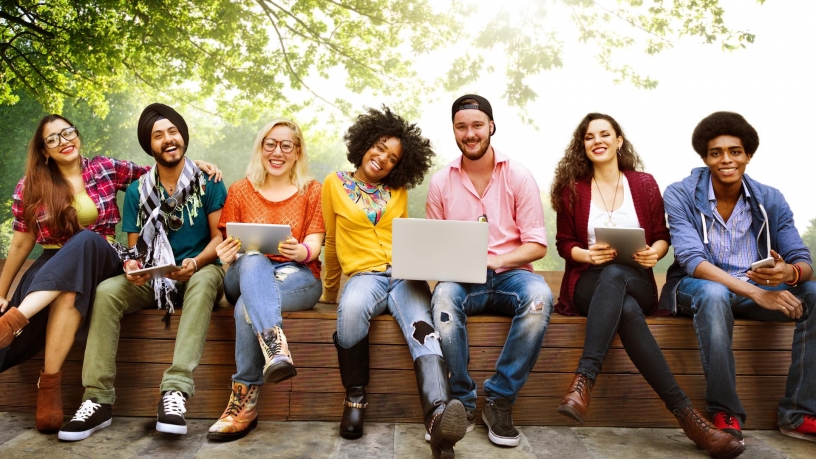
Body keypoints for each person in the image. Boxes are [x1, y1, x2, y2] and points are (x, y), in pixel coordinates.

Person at [0, 114, 219, 433]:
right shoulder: (30, 186)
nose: (64, 141)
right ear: (44, 151)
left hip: (104, 254)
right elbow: (21, 244)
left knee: (87, 239)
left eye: (68, 133)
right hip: (54, 263)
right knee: (70, 289)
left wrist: (190, 162)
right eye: (53, 139)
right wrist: (2, 292)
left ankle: (13, 321)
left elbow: (158, 171)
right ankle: (49, 385)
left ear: (78, 136)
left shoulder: (103, 168)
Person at [551, 113, 744, 459]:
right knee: (617, 295)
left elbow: (661, 236)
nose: (597, 141)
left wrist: (653, 253)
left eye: (605, 134)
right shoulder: (573, 189)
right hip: (587, 283)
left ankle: (584, 380)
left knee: (619, 279)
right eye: (589, 136)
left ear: (619, 140)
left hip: (636, 279)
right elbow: (564, 243)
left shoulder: (643, 184)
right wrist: (586, 254)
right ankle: (689, 419)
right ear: (582, 145)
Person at [58, 103, 227, 441]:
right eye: (158, 135)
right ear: (150, 146)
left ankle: (175, 391)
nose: (168, 139)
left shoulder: (209, 182)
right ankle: (97, 399)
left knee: (207, 278)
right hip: (156, 279)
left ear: (183, 137)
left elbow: (219, 237)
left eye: (173, 132)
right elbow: (137, 250)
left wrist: (194, 263)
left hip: (200, 270)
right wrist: (134, 267)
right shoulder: (138, 191)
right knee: (107, 291)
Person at [660, 111, 816, 444]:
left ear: (748, 155)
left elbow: (803, 260)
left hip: (753, 290)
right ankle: (724, 411)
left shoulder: (770, 198)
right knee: (715, 294)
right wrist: (757, 293)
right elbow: (691, 261)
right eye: (716, 153)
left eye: (735, 151)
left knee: (813, 294)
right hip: (696, 288)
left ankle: (799, 413)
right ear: (704, 157)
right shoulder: (680, 193)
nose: (726, 160)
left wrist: (788, 272)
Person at [322, 106, 466, 459]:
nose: (383, 158)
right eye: (380, 148)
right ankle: (355, 397)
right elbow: (329, 241)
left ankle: (437, 417)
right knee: (352, 308)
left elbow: (406, 237)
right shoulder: (334, 184)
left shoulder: (397, 191)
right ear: (366, 143)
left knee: (424, 329)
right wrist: (328, 291)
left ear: (399, 165)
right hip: (364, 276)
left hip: (403, 275)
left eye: (392, 157)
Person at [426, 94, 553, 448]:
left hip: (512, 274)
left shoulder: (519, 176)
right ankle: (462, 402)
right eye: (461, 126)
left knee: (540, 296)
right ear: (454, 130)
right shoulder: (440, 182)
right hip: (464, 280)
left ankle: (499, 400)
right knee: (444, 297)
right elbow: (436, 246)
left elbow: (537, 246)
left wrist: (496, 260)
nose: (470, 133)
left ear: (491, 127)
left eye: (477, 125)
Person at [207, 119, 325, 441]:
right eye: (270, 144)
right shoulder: (240, 190)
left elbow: (314, 244)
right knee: (254, 257)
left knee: (251, 302)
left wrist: (300, 251)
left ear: (297, 151)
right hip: (242, 273)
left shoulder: (312, 191)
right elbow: (225, 244)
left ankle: (243, 405)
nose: (277, 152)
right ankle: (275, 347)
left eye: (286, 145)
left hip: (296, 277)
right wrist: (227, 254)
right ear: (261, 148)